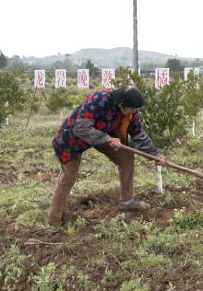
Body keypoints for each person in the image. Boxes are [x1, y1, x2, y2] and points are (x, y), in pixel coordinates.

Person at [47, 86, 168, 226]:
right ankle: (53, 219)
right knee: (69, 177)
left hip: (102, 134)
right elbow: (80, 128)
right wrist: (107, 138)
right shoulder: (99, 100)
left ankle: (127, 201)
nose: (134, 112)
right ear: (121, 105)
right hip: (72, 137)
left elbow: (138, 133)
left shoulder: (130, 111)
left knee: (126, 157)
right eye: (132, 108)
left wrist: (155, 155)